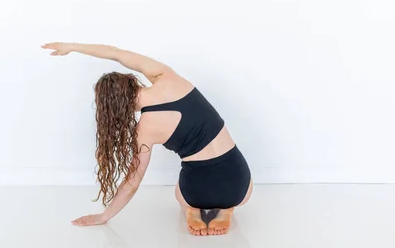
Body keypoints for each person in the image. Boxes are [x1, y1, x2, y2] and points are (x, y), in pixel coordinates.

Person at [41, 42, 253, 236]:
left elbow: (133, 181)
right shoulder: (166, 77)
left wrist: (104, 216)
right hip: (238, 184)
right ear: (130, 82)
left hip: (194, 192)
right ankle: (226, 209)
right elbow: (117, 54)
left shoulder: (145, 129)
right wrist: (73, 47)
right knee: (237, 184)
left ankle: (192, 209)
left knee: (179, 193)